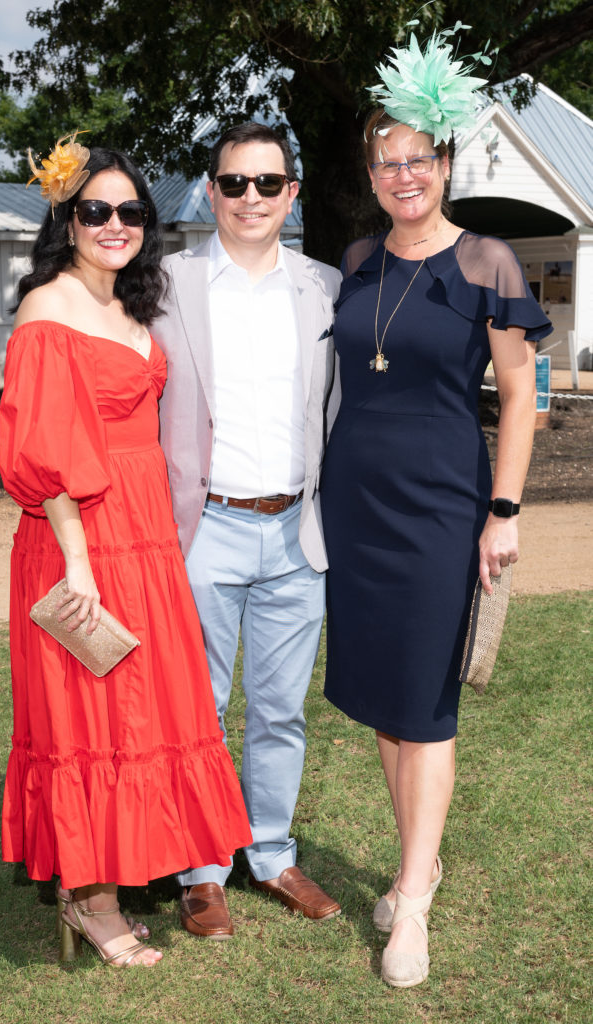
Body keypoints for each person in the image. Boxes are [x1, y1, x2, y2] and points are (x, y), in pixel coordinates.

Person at [320, 30, 552, 988]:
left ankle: (411, 899)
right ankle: (420, 859)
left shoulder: (487, 260)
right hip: (354, 507)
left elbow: (519, 390)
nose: (402, 174)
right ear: (371, 174)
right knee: (382, 699)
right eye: (386, 161)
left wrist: (501, 510)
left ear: (444, 161)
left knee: (426, 703)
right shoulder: (359, 259)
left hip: (440, 508)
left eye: (418, 158)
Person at [0, 137, 252, 968]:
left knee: (140, 711)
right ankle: (91, 903)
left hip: (145, 538)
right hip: (79, 537)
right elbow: (42, 447)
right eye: (95, 210)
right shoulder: (48, 307)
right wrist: (76, 560)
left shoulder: (130, 307)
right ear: (66, 219)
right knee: (87, 713)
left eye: (130, 211)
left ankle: (110, 882)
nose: (115, 224)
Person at [153, 122, 342, 939]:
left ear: (290, 193)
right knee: (197, 708)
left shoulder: (328, 288)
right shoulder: (165, 284)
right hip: (204, 531)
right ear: (210, 190)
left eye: (268, 184)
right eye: (235, 183)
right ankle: (201, 868)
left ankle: (269, 852)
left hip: (297, 532)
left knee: (279, 710)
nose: (251, 199)